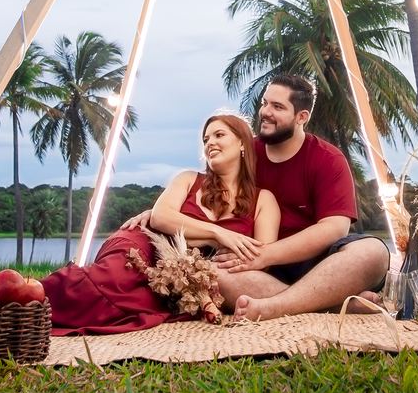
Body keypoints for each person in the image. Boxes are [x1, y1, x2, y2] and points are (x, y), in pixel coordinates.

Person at [125, 75, 390, 322]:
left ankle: (275, 307)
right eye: (264, 103)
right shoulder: (245, 151)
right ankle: (330, 304)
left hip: (319, 263)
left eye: (277, 106)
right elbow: (204, 186)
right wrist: (157, 212)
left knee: (373, 252)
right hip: (260, 268)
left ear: (302, 117)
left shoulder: (327, 159)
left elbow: (334, 228)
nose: (265, 112)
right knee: (214, 273)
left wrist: (266, 254)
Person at [42, 112, 279, 335]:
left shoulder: (263, 199)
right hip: (148, 244)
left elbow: (262, 258)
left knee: (147, 299)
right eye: (206, 139)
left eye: (219, 135)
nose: (209, 143)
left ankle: (38, 303)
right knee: (116, 276)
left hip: (184, 274)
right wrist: (216, 235)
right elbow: (160, 218)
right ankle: (29, 299)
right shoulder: (189, 179)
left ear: (242, 143)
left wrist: (194, 238)